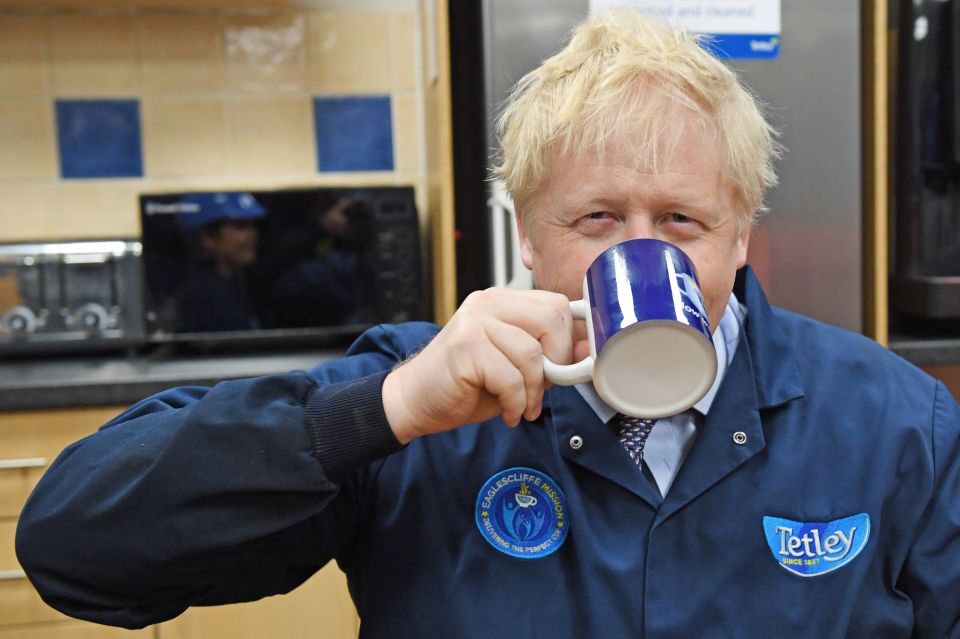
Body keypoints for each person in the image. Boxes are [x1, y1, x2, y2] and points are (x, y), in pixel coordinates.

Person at [16, 11, 960, 638]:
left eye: (682, 221)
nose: (641, 254)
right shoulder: (417, 400)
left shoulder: (894, 423)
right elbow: (73, 549)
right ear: (526, 239)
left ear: (742, 239)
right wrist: (384, 412)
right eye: (595, 219)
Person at [175, 192, 266, 333]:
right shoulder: (205, 296)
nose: (252, 235)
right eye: (241, 226)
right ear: (207, 237)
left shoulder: (238, 284)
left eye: (252, 226)